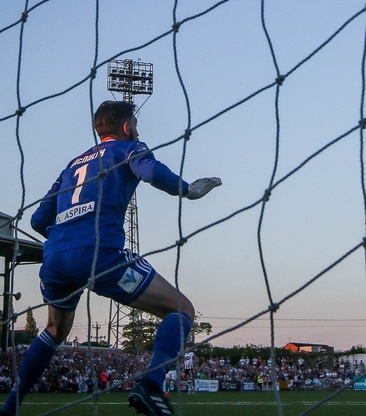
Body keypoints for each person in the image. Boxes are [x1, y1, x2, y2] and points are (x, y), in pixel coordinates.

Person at [0, 101, 221, 416]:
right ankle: (152, 386)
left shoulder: (72, 165)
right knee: (181, 309)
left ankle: (9, 410)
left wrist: (69, 238)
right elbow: (150, 171)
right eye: (135, 125)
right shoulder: (129, 149)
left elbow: (38, 221)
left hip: (56, 259)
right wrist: (188, 190)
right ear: (127, 127)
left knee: (53, 331)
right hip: (102, 255)